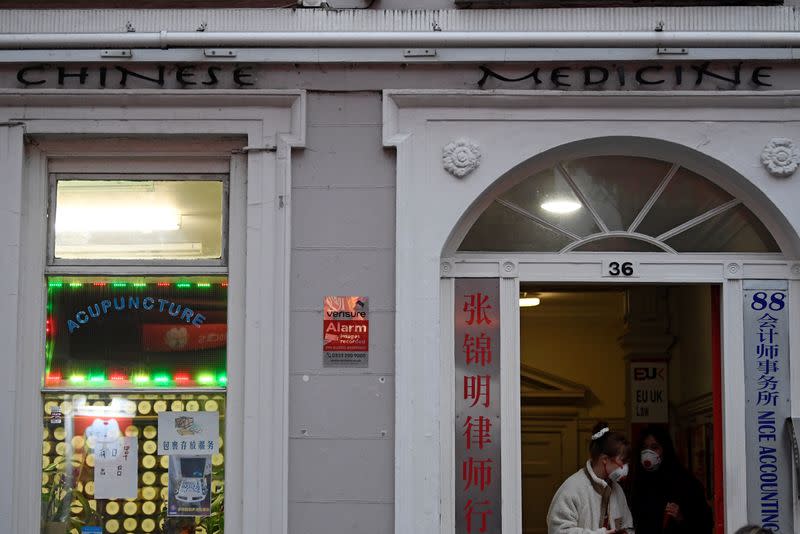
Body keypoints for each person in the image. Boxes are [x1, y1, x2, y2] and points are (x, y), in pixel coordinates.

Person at [547, 421, 635, 533]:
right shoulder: (572, 489)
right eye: (622, 461)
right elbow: (557, 531)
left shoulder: (617, 490)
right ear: (605, 459)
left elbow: (628, 527)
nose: (625, 467)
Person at [630, 425, 713, 534]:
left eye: (654, 447)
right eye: (644, 447)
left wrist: (681, 517)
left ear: (665, 449)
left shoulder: (685, 482)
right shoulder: (637, 479)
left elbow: (704, 523)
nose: (648, 453)